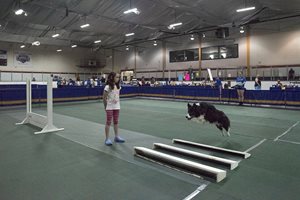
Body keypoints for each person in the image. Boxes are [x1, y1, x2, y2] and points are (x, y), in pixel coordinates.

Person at [103, 72, 125, 146]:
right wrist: (106, 107)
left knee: (116, 121)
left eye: (119, 77)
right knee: (108, 122)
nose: (118, 79)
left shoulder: (118, 86)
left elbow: (117, 95)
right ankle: (107, 138)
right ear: (112, 77)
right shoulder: (107, 87)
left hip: (117, 106)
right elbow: (104, 98)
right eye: (117, 77)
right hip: (109, 107)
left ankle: (116, 137)